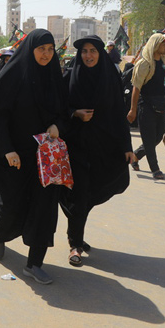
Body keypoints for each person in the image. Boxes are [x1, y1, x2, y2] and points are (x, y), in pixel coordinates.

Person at [0, 29, 68, 285]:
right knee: (8, 204)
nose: (46, 54)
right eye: (41, 49)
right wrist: (7, 149)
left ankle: (35, 263)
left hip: (45, 157)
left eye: (50, 50)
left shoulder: (54, 78)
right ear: (30, 49)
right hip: (14, 155)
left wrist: (58, 125)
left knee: (43, 209)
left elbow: (64, 111)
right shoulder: (12, 75)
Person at [60, 36, 134, 267]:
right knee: (80, 193)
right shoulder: (70, 76)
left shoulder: (110, 78)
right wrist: (75, 113)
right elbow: (58, 107)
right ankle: (75, 243)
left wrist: (127, 146)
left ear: (100, 53)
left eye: (93, 50)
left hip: (104, 146)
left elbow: (118, 113)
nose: (88, 55)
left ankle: (76, 230)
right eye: (84, 51)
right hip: (76, 145)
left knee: (95, 190)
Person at [127, 33, 165, 180]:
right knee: (149, 139)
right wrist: (133, 109)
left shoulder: (163, 63)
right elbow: (136, 88)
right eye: (163, 43)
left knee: (158, 137)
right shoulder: (144, 64)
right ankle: (155, 169)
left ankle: (136, 156)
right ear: (155, 45)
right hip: (146, 106)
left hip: (161, 106)